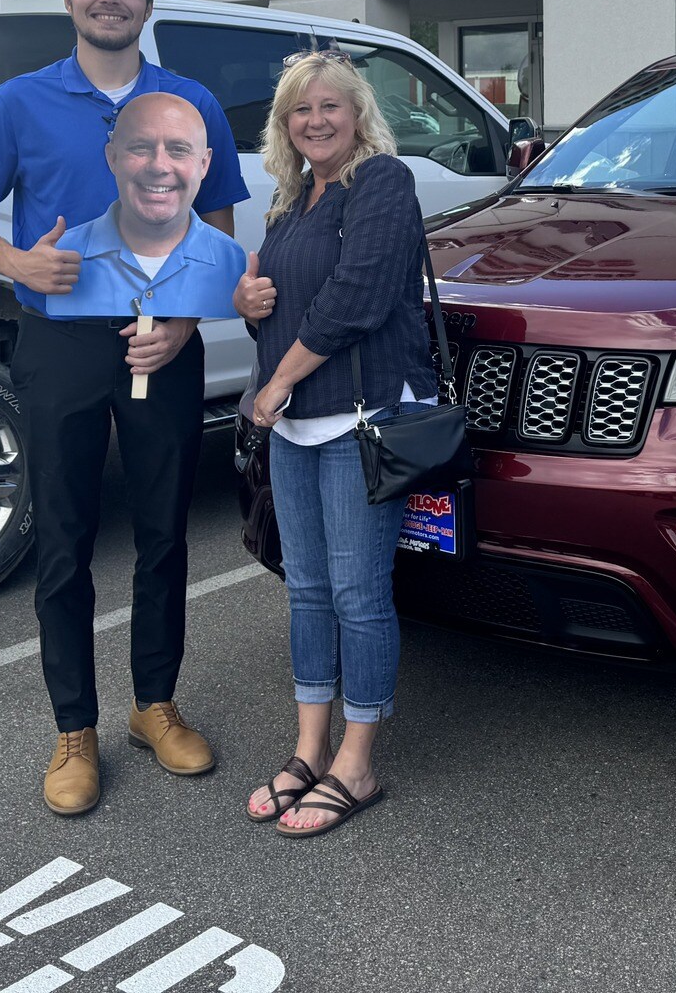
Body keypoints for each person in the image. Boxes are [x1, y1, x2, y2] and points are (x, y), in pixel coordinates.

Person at [0, 0, 248, 817]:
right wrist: (17, 264)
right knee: (66, 539)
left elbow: (218, 221)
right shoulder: (20, 102)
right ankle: (74, 727)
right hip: (62, 342)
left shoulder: (190, 103)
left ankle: (154, 706)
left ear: (147, 3)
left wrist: (188, 318)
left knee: (162, 534)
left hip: (164, 341)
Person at [233, 48, 438, 839]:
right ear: (285, 124)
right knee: (308, 590)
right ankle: (309, 750)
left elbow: (357, 299)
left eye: (330, 107)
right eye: (300, 110)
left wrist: (276, 381)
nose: (315, 121)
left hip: (360, 420)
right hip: (294, 426)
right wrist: (247, 302)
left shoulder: (383, 182)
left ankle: (358, 763)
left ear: (358, 116)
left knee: (359, 594)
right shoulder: (290, 199)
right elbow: (277, 303)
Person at [49, 93, 245, 322]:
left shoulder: (230, 258)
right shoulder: (67, 252)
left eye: (179, 149)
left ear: (204, 163)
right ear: (112, 158)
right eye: (141, 148)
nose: (159, 166)